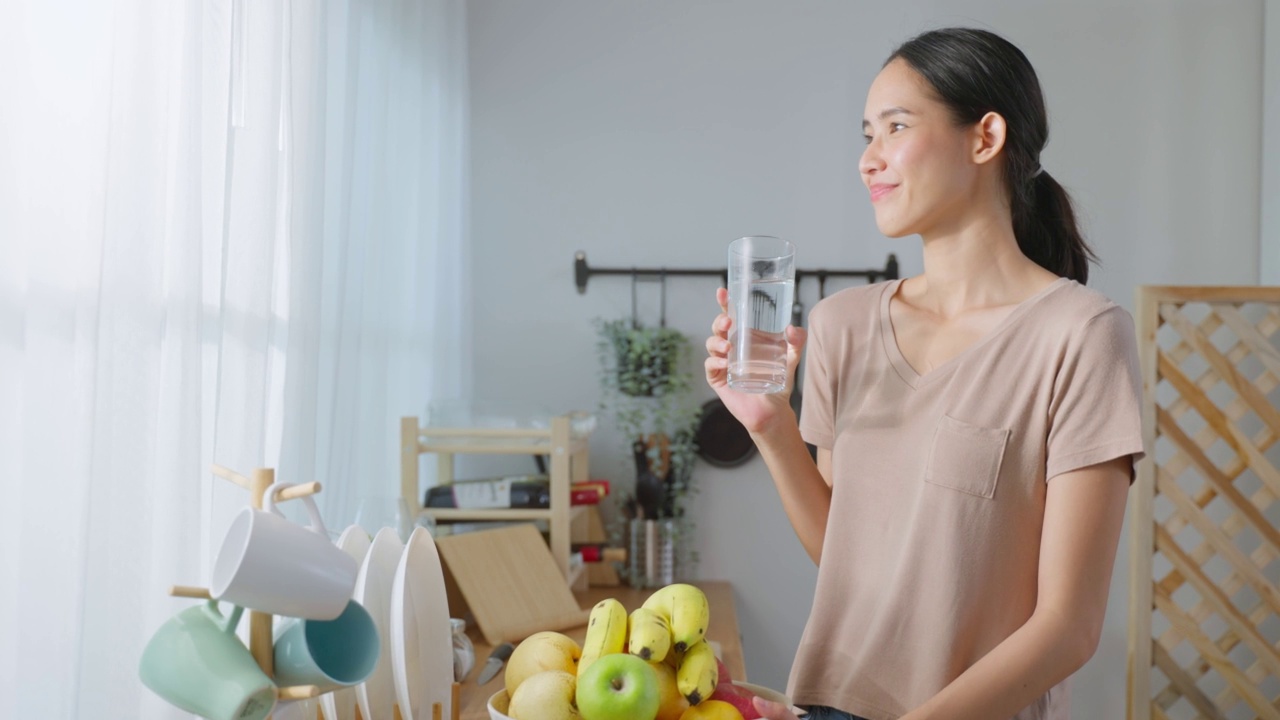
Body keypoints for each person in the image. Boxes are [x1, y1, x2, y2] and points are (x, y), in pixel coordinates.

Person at [704, 27, 1145, 720]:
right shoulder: (841, 325)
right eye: (865, 135)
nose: (868, 160)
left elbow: (1069, 627)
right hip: (827, 704)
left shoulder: (1081, 336)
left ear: (985, 137)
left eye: (895, 128)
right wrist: (771, 426)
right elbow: (849, 554)